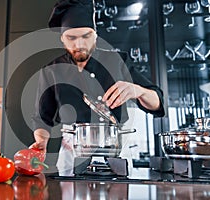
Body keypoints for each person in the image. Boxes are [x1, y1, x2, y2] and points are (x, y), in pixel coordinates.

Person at [30, 0, 165, 175]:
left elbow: (157, 102)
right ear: (62, 39)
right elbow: (42, 119)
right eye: (71, 38)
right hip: (72, 154)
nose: (79, 45)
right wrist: (41, 142)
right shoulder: (51, 71)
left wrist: (137, 90)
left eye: (86, 36)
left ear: (95, 35)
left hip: (116, 151)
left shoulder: (118, 61)